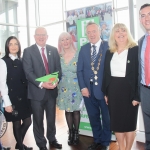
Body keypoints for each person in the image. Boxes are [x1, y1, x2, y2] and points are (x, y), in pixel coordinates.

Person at [22, 27, 62, 150]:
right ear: (34, 36)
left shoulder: (53, 50)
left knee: (51, 119)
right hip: (36, 93)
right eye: (38, 34)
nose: (41, 37)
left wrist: (56, 80)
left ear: (47, 36)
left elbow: (58, 70)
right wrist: (41, 84)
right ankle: (41, 144)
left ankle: (52, 138)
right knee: (38, 121)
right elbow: (28, 73)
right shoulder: (28, 51)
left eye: (43, 34)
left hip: (51, 92)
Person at [102, 23, 139, 150]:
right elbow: (106, 74)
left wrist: (137, 96)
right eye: (117, 31)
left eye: (123, 30)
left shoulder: (135, 50)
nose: (120, 33)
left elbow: (139, 74)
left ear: (127, 33)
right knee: (117, 122)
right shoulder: (109, 52)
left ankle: (128, 148)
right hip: (113, 91)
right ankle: (121, 148)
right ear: (113, 35)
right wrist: (106, 93)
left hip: (130, 92)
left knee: (129, 123)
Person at [77, 22, 111, 150]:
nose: (91, 34)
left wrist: (109, 91)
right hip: (88, 91)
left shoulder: (108, 46)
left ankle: (105, 142)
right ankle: (97, 140)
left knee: (107, 118)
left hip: (104, 91)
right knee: (93, 117)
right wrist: (83, 87)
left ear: (100, 32)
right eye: (89, 32)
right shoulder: (84, 48)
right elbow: (79, 70)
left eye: (94, 31)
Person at [0, 36, 32, 150]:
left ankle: (19, 144)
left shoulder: (21, 60)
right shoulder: (3, 62)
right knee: (16, 123)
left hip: (23, 96)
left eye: (16, 44)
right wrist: (7, 103)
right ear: (7, 47)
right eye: (11, 44)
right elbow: (2, 84)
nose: (14, 46)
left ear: (19, 46)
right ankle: (21, 146)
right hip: (12, 97)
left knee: (28, 121)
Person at [57, 32, 83, 146]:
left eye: (67, 39)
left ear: (71, 40)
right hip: (63, 87)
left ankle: (76, 133)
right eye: (62, 40)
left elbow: (83, 71)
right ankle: (70, 133)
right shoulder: (58, 56)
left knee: (76, 111)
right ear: (60, 42)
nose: (65, 41)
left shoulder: (78, 54)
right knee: (68, 111)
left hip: (76, 87)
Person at [139, 3, 150, 150]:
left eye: (149, 14)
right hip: (145, 90)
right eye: (143, 15)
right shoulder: (141, 41)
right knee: (148, 127)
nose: (146, 18)